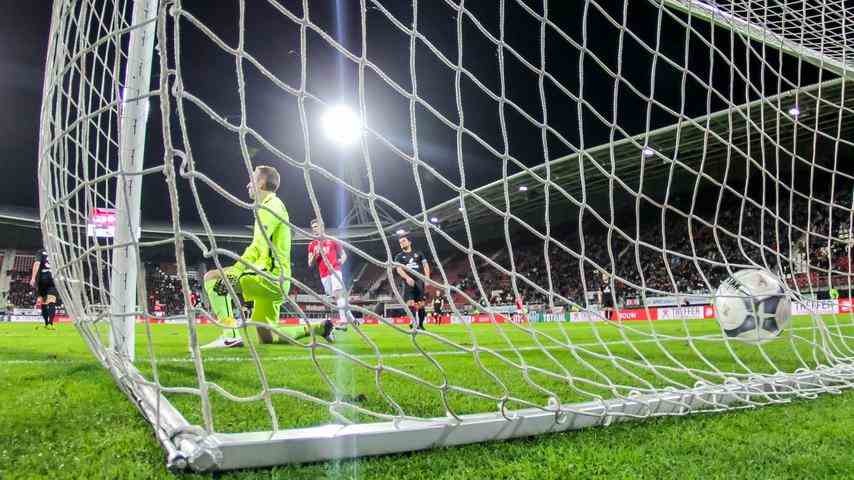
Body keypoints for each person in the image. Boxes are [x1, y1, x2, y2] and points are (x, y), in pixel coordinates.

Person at [201, 165, 336, 349]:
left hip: (270, 277)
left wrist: (236, 270)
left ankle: (229, 335)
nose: (248, 185)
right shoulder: (272, 206)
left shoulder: (270, 207)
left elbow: (258, 246)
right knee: (267, 336)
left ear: (262, 183)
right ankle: (318, 328)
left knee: (212, 278)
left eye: (252, 180)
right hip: (280, 280)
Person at [308, 218, 356, 326]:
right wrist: (315, 256)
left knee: (337, 294)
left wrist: (340, 262)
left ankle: (343, 320)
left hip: (334, 270)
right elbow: (310, 263)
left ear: (322, 226)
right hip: (323, 274)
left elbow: (344, 255)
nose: (315, 229)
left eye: (316, 226)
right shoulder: (312, 245)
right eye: (313, 228)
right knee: (334, 296)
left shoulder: (332, 240)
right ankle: (352, 318)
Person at [394, 234, 430, 330]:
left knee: (421, 304)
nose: (402, 243)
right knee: (410, 303)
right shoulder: (399, 256)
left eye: (404, 241)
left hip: (419, 281)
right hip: (407, 282)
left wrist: (427, 278)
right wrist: (407, 278)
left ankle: (421, 325)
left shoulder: (419, 253)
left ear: (409, 242)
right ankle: (414, 324)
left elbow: (425, 265)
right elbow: (399, 269)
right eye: (400, 242)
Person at [30, 248, 58, 329]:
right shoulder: (56, 252)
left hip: (43, 279)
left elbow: (37, 264)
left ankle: (46, 323)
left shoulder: (40, 252)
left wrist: (33, 278)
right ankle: (50, 323)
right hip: (53, 279)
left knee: (44, 302)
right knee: (52, 302)